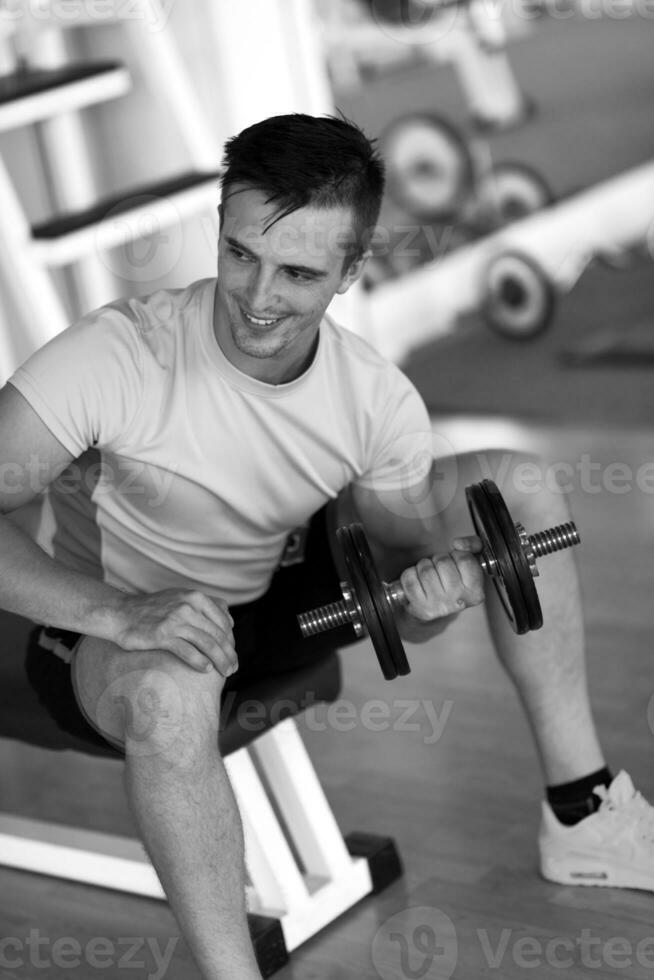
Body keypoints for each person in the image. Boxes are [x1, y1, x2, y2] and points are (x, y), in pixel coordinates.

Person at [0, 113, 651, 979]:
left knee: (517, 486)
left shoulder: (372, 398)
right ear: (222, 229)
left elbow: (400, 589)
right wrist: (120, 612)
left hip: (272, 596)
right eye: (240, 254)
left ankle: (584, 814)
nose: (258, 297)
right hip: (112, 624)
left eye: (299, 273)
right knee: (169, 691)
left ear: (350, 271)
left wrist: (430, 606)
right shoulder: (118, 355)